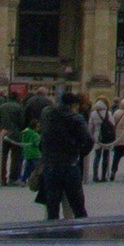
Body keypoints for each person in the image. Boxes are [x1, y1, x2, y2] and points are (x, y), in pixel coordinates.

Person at [35, 92, 92, 220]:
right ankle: (80, 232)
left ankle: (52, 234)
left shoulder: (46, 115)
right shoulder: (76, 118)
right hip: (69, 163)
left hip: (50, 164)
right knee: (78, 205)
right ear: (73, 105)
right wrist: (79, 153)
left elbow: (42, 139)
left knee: (52, 205)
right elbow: (88, 141)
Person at [0, 91, 26, 186]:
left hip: (3, 133)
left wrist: (1, 128)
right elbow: (22, 122)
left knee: (2, 157)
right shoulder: (19, 107)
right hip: (15, 134)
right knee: (15, 158)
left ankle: (1, 178)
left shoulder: (2, 107)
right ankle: (13, 178)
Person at [89, 100, 114, 181]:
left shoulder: (93, 114)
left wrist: (91, 136)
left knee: (97, 156)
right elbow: (112, 124)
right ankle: (104, 176)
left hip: (97, 136)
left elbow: (90, 126)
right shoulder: (108, 113)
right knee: (106, 156)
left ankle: (95, 175)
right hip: (106, 136)